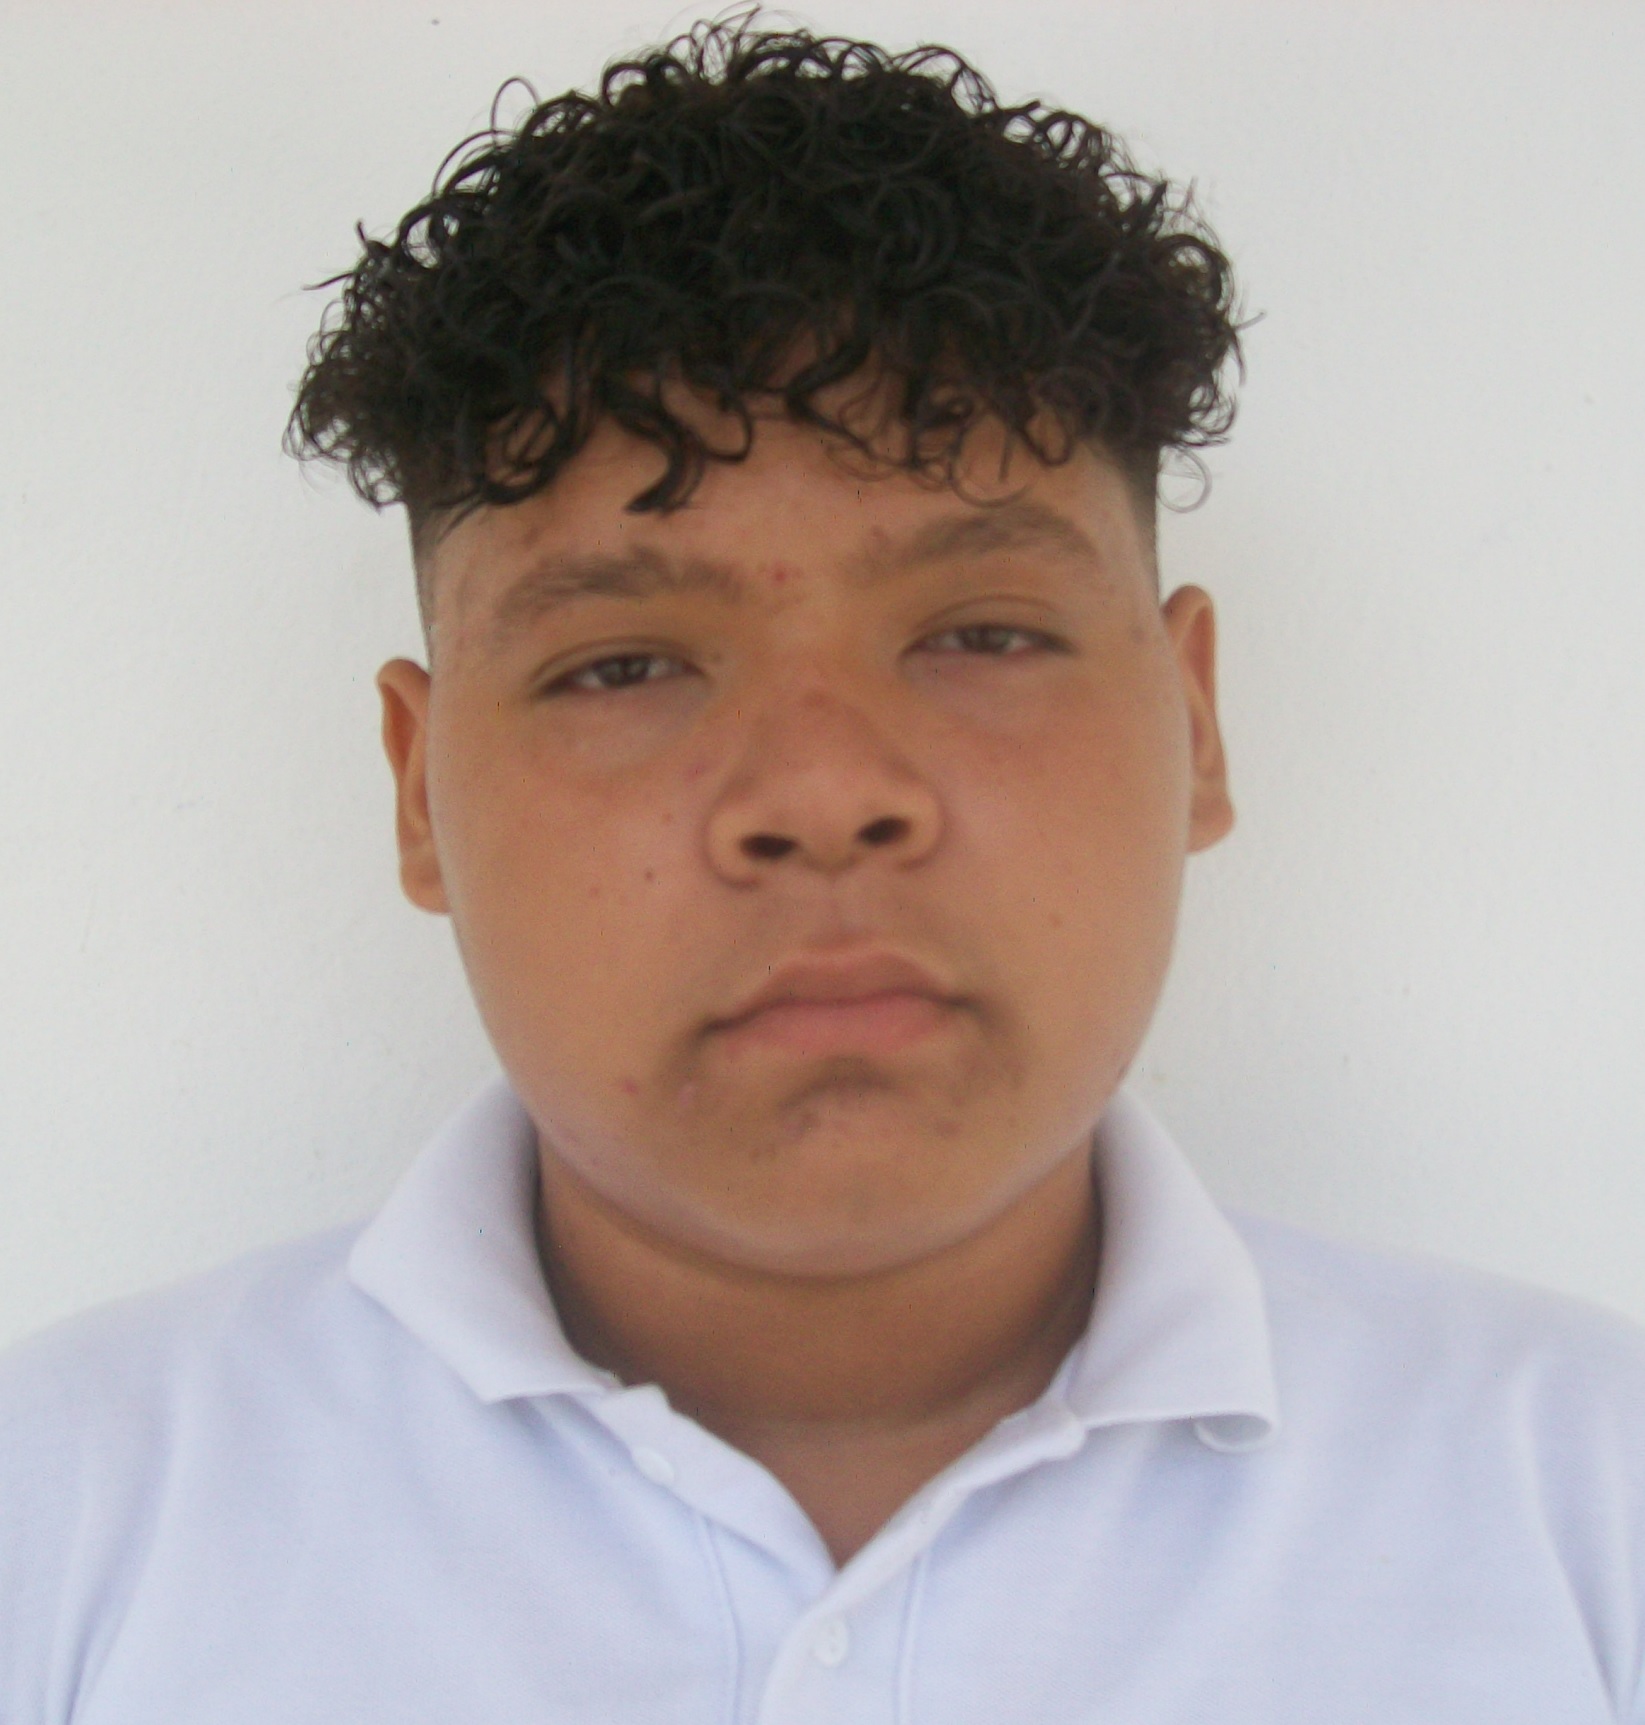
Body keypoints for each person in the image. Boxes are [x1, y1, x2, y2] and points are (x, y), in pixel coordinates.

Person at [2, 17, 1641, 1723]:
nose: (822, 793)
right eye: (622, 665)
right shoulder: (62, 1519)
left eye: (982, 632)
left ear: (1194, 721)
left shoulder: (1584, 1503)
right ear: (419, 793)